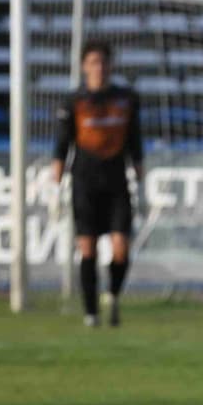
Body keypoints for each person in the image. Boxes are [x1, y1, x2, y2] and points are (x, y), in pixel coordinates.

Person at [50, 40, 143, 328]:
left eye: (103, 62)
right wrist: (55, 187)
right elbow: (62, 145)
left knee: (120, 247)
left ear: (111, 65)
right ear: (83, 67)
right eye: (92, 62)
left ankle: (113, 295)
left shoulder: (126, 100)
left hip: (117, 183)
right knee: (87, 248)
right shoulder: (74, 102)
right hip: (85, 182)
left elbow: (135, 142)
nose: (98, 68)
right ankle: (91, 313)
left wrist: (142, 180)